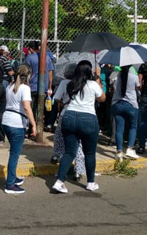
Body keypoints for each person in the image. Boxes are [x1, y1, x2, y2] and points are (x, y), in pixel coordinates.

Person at [52, 61, 106, 194]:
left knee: (69, 152)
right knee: (89, 152)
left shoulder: (70, 84)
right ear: (89, 72)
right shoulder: (93, 84)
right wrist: (98, 79)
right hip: (88, 118)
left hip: (69, 116)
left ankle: (59, 182)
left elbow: (61, 98)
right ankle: (91, 182)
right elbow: (102, 99)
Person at [1, 64, 37, 194]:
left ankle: (13, 177)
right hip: (17, 123)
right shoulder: (25, 88)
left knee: (13, 152)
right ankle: (10, 184)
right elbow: (27, 107)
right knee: (14, 155)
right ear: (28, 75)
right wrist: (33, 124)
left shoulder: (10, 87)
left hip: (6, 120)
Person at [50, 63, 87, 181]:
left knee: (60, 136)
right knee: (79, 144)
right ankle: (78, 170)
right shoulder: (84, 83)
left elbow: (56, 98)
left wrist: (62, 102)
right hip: (81, 116)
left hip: (65, 114)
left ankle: (57, 155)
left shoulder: (64, 83)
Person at [111, 65, 140, 160]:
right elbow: (138, 88)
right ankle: (130, 149)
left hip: (117, 104)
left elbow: (114, 89)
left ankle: (119, 152)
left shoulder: (116, 77)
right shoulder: (134, 77)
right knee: (133, 126)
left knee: (119, 128)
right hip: (131, 104)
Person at [24, 41, 54, 120]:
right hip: (44, 86)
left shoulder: (29, 57)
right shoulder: (47, 57)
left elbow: (26, 72)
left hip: (32, 86)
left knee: (32, 108)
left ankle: (32, 126)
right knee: (41, 108)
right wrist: (50, 87)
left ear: (30, 49)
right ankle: (39, 123)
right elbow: (50, 73)